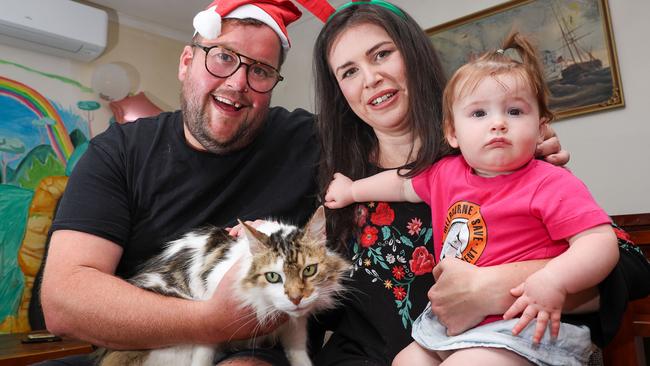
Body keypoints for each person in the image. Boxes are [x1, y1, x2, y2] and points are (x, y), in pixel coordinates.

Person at [308, 1, 650, 366]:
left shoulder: (498, 156)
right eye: (348, 72)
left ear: (413, 53)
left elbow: (629, 268)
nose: (370, 78)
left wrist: (493, 288)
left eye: (381, 54)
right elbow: (322, 311)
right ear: (338, 90)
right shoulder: (335, 178)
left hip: (500, 347)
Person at [39, 1, 317, 365]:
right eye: (223, 57)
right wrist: (210, 320)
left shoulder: (307, 141)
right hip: (143, 347)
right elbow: (63, 302)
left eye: (261, 70)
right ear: (186, 62)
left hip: (255, 347)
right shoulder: (119, 152)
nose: (237, 83)